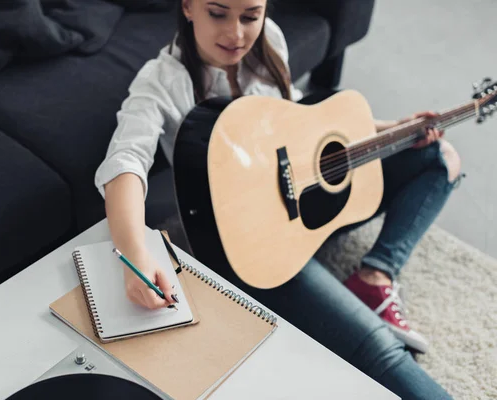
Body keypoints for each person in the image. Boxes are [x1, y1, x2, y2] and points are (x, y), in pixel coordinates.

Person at [95, 1, 460, 398]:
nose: (237, 34)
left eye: (251, 16)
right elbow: (125, 163)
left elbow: (302, 120)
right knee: (380, 352)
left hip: (311, 200)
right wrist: (133, 256)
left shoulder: (269, 41)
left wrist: (397, 129)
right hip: (255, 246)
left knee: (437, 157)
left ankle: (375, 273)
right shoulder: (162, 80)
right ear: (188, 7)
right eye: (218, 14)